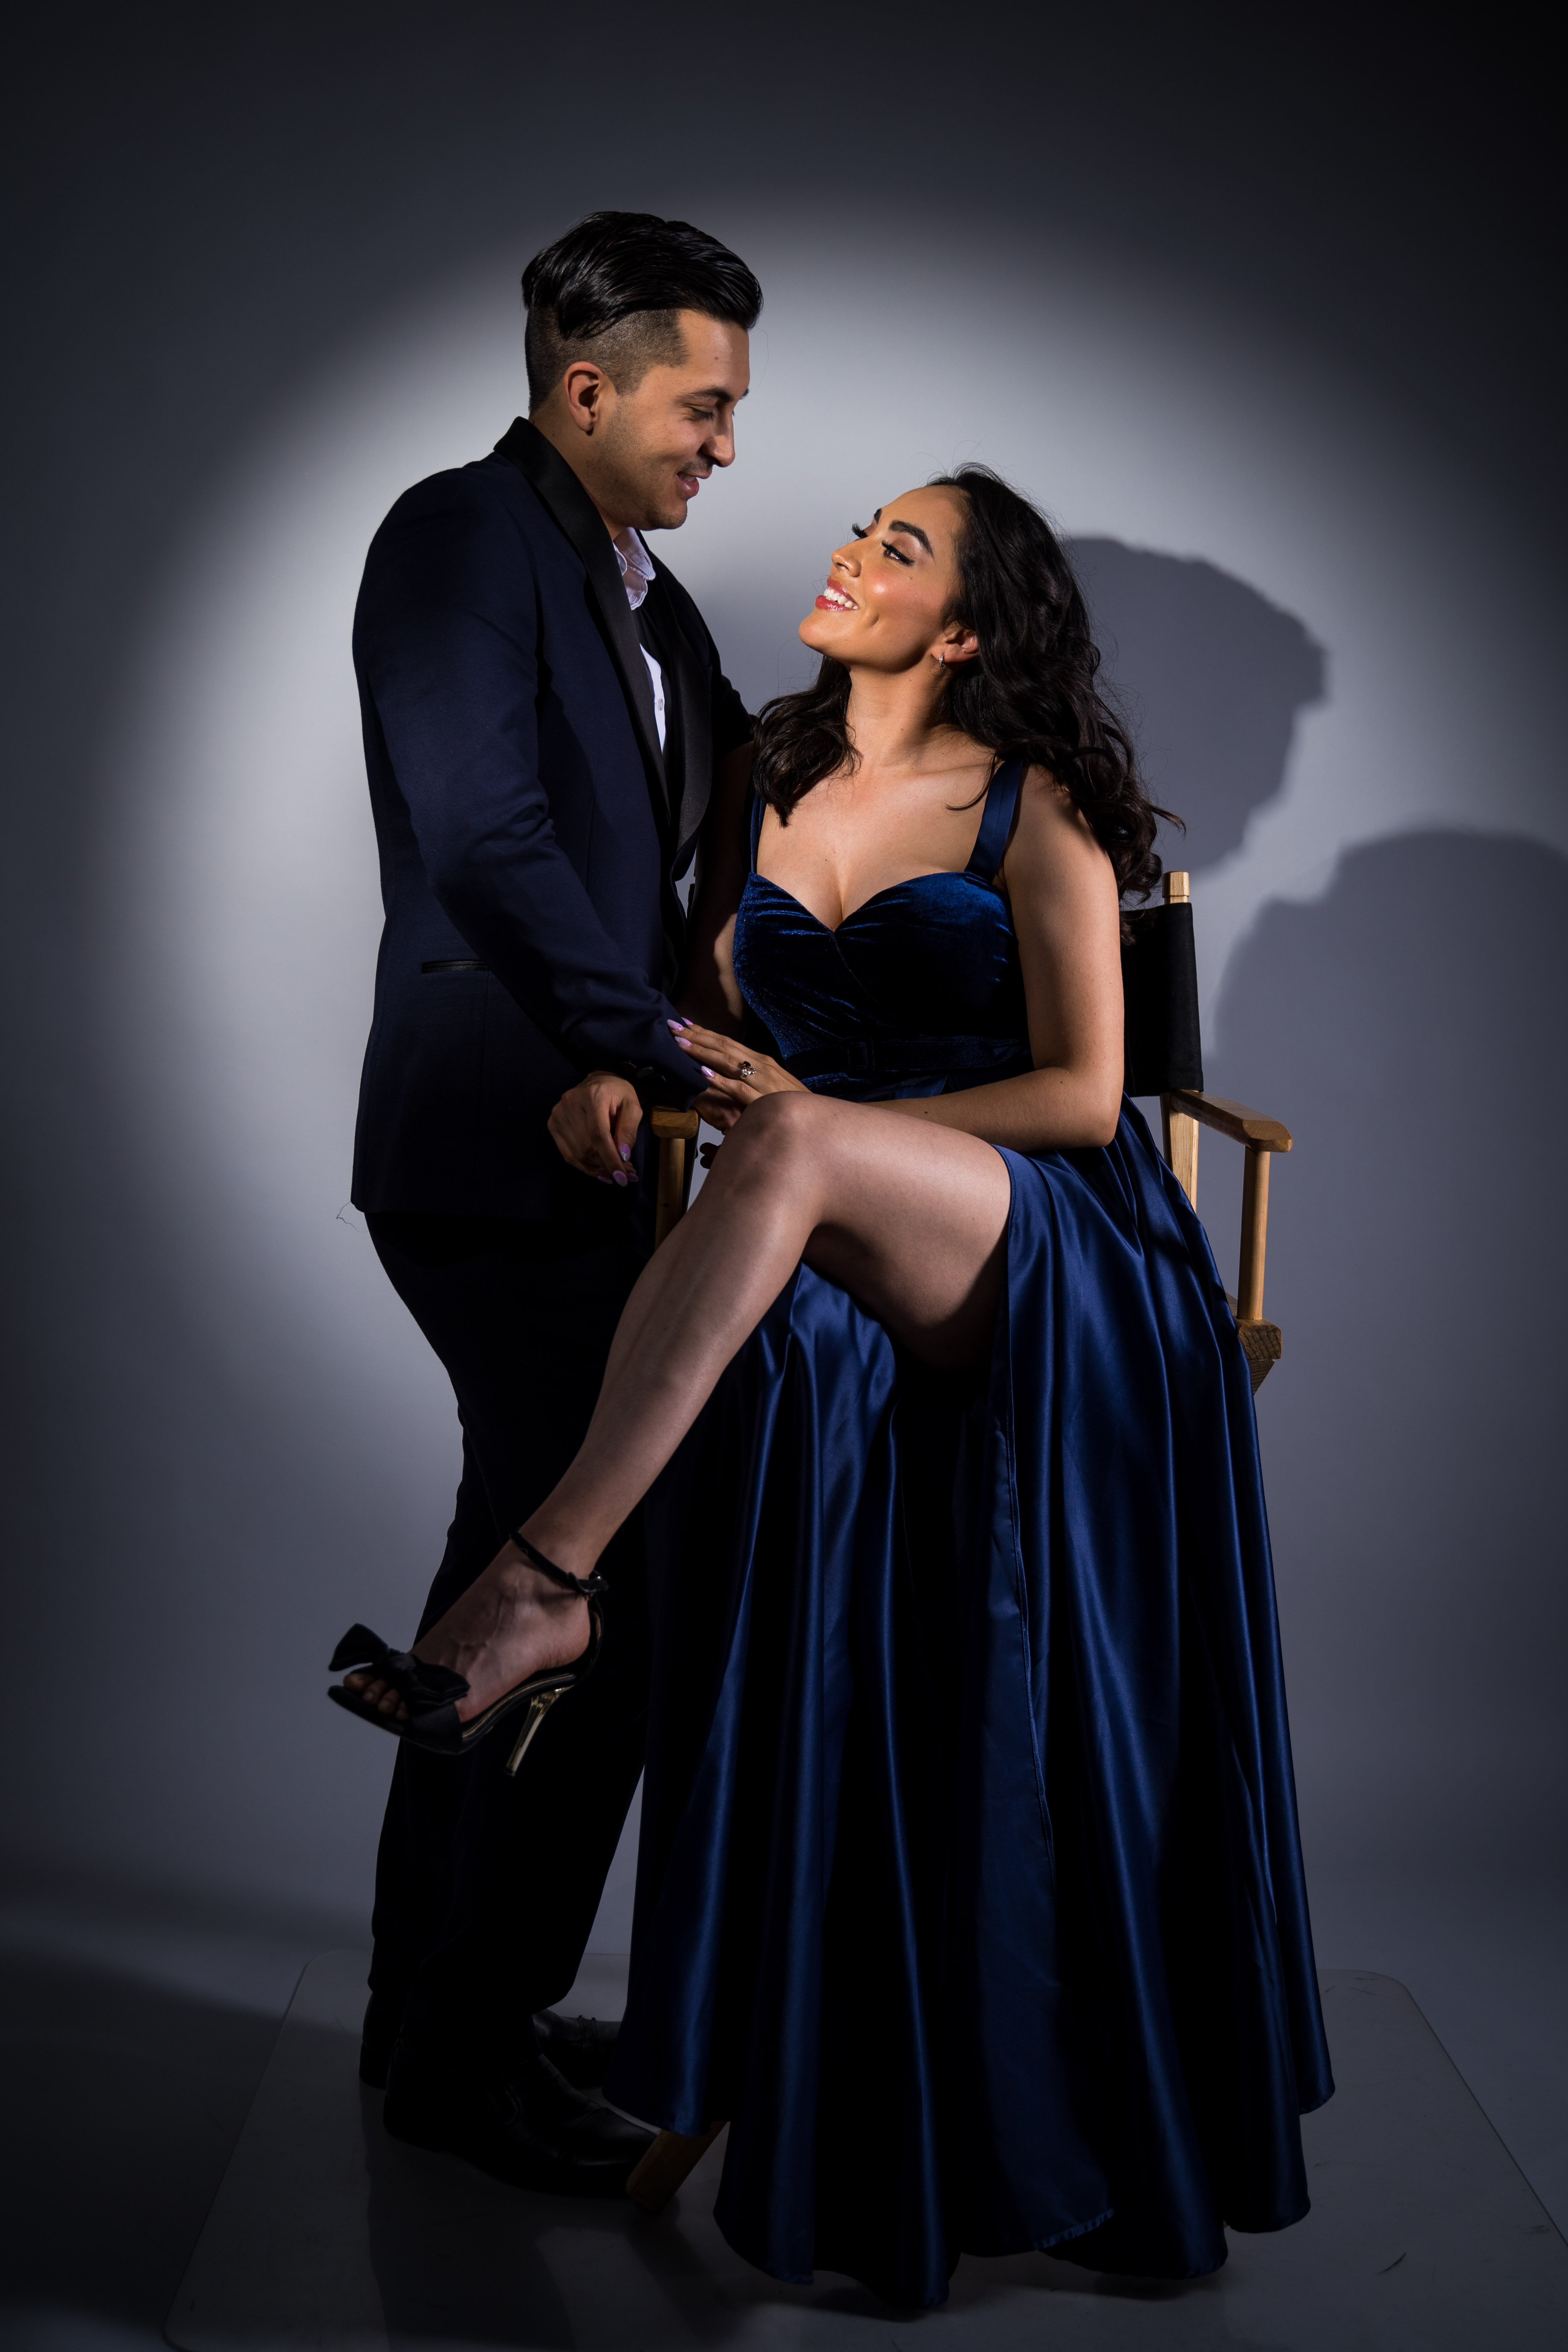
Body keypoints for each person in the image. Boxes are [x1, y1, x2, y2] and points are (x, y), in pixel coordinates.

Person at [337, 466, 1333, 2301]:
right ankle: (640, 1957)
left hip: (1039, 1232)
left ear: (962, 629)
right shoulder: (763, 776)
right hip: (816, 1214)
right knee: (777, 1229)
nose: (850, 552)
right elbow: (702, 1019)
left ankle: (544, 1583)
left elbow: (1083, 1096)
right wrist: (629, 1071)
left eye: (898, 548)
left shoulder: (1036, 805)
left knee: (791, 1158)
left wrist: (832, 1123)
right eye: (865, 527)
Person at [336, 209, 760, 2195]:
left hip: (605, 1143)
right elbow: (487, 834)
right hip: (485, 1144)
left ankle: (424, 2008)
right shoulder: (455, 536)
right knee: (604, 1599)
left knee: (510, 1578)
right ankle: (468, 2047)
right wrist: (650, 1048)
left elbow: (718, 838)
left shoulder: (660, 611)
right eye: (704, 406)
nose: (727, 445)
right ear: (586, 389)